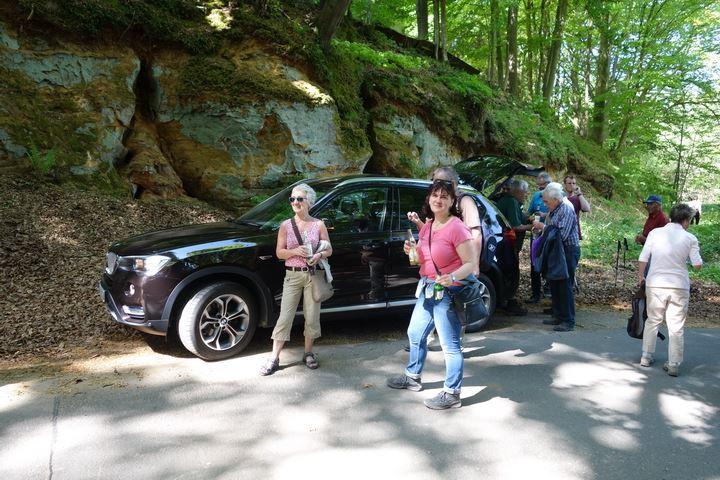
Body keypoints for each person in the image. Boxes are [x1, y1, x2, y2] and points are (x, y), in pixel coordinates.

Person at [388, 179, 477, 410]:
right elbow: (425, 257)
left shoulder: (457, 227)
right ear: (429, 199)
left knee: (450, 345)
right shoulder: (428, 225)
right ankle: (413, 377)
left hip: (448, 291)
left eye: (444, 196)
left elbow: (471, 263)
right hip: (428, 287)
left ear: (452, 201)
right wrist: (412, 250)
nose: (439, 200)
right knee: (415, 333)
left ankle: (452, 393)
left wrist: (453, 277)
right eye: (435, 195)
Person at [260, 183, 333, 376]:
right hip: (292, 276)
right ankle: (274, 358)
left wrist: (319, 255)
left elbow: (329, 249)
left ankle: (308, 353)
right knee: (285, 317)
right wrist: (294, 251)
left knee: (312, 317)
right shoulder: (286, 225)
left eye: (300, 199)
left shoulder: (318, 224)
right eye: (292, 199)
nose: (295, 202)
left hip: (312, 275)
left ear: (309, 201)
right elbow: (279, 253)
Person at [638, 204, 702, 377]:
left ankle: (646, 356)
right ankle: (673, 364)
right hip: (679, 285)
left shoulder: (655, 233)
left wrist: (641, 277)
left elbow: (643, 257)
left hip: (655, 283)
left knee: (653, 320)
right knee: (676, 326)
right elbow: (697, 265)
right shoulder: (690, 238)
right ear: (686, 220)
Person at [533, 182, 580, 332]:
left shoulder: (566, 208)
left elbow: (561, 235)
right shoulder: (556, 208)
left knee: (564, 285)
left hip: (567, 251)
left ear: (556, 199)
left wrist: (543, 227)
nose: (545, 205)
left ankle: (568, 320)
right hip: (557, 250)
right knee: (555, 282)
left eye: (547, 202)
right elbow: (553, 230)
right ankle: (558, 315)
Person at [494, 178, 532, 315]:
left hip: (503, 243)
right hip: (509, 244)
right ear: (517, 191)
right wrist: (532, 226)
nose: (526, 195)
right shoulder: (511, 202)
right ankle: (507, 302)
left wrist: (527, 218)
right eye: (524, 192)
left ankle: (503, 301)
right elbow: (515, 226)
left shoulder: (508, 201)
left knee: (506, 271)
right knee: (511, 272)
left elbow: (518, 217)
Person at [527, 172, 552, 303]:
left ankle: (551, 295)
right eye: (539, 185)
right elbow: (529, 213)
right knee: (534, 263)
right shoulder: (536, 196)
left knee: (550, 263)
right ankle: (535, 294)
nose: (540, 188)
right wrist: (531, 218)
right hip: (536, 235)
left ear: (549, 184)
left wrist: (544, 215)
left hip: (550, 235)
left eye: (543, 185)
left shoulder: (557, 196)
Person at [563, 175, 591, 240]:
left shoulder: (578, 198)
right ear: (565, 185)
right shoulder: (561, 198)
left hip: (574, 232)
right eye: (569, 183)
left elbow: (587, 209)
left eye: (574, 183)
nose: (572, 185)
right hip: (562, 230)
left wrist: (579, 194)